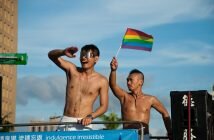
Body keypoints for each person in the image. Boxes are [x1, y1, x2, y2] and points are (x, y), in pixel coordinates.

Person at [48, 44, 109, 131]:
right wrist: (63, 52)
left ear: (96, 59)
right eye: (82, 55)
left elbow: (104, 106)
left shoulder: (102, 80)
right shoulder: (72, 70)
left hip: (85, 124)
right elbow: (51, 55)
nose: (84, 58)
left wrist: (91, 116)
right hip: (66, 121)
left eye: (87, 55)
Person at [109, 57, 172, 140]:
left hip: (144, 136)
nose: (128, 82)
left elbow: (165, 113)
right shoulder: (124, 96)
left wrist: (170, 132)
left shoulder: (150, 99)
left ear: (140, 82)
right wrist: (113, 71)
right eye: (127, 80)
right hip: (127, 136)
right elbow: (112, 85)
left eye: (131, 80)